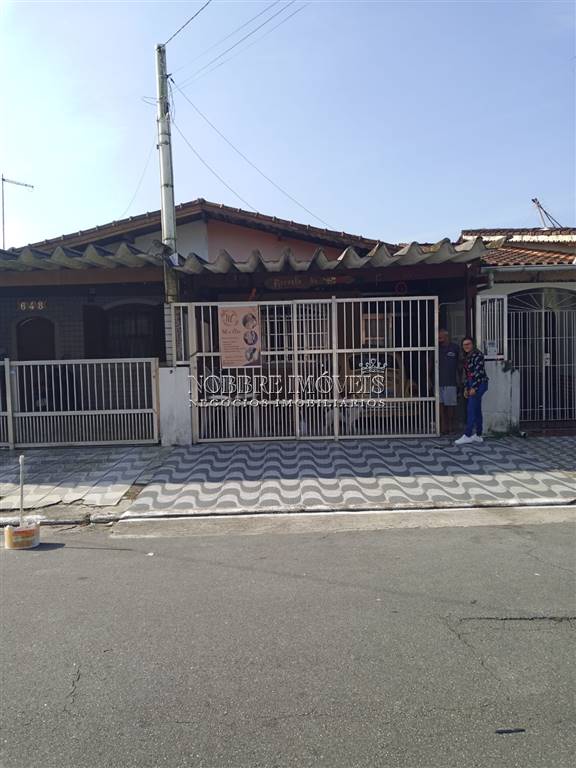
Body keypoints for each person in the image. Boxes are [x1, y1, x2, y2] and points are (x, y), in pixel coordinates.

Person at [454, 337, 489, 445]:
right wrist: (466, 388)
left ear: (473, 344)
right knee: (477, 409)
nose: (466, 346)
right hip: (471, 383)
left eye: (468, 344)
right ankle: (478, 434)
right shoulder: (467, 356)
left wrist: (474, 387)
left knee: (471, 409)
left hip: (478, 383)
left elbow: (478, 372)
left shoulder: (477, 355)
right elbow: (467, 374)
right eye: (464, 344)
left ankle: (467, 435)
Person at [438, 329, 460, 434]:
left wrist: (460, 379)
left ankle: (451, 425)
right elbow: (430, 362)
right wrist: (428, 378)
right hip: (438, 381)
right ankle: (443, 425)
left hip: (451, 381)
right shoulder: (436, 348)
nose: (439, 339)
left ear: (447, 337)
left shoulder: (455, 348)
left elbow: (460, 364)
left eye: (440, 337)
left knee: (451, 405)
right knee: (440, 405)